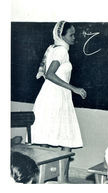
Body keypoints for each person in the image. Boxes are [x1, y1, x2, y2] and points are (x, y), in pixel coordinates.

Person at [31, 21, 87, 180]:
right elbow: (49, 74)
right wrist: (74, 88)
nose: (74, 37)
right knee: (64, 137)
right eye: (71, 35)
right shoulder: (61, 50)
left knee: (50, 136)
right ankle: (62, 179)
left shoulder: (53, 48)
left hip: (52, 96)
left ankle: (46, 178)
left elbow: (47, 73)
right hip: (55, 97)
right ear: (61, 36)